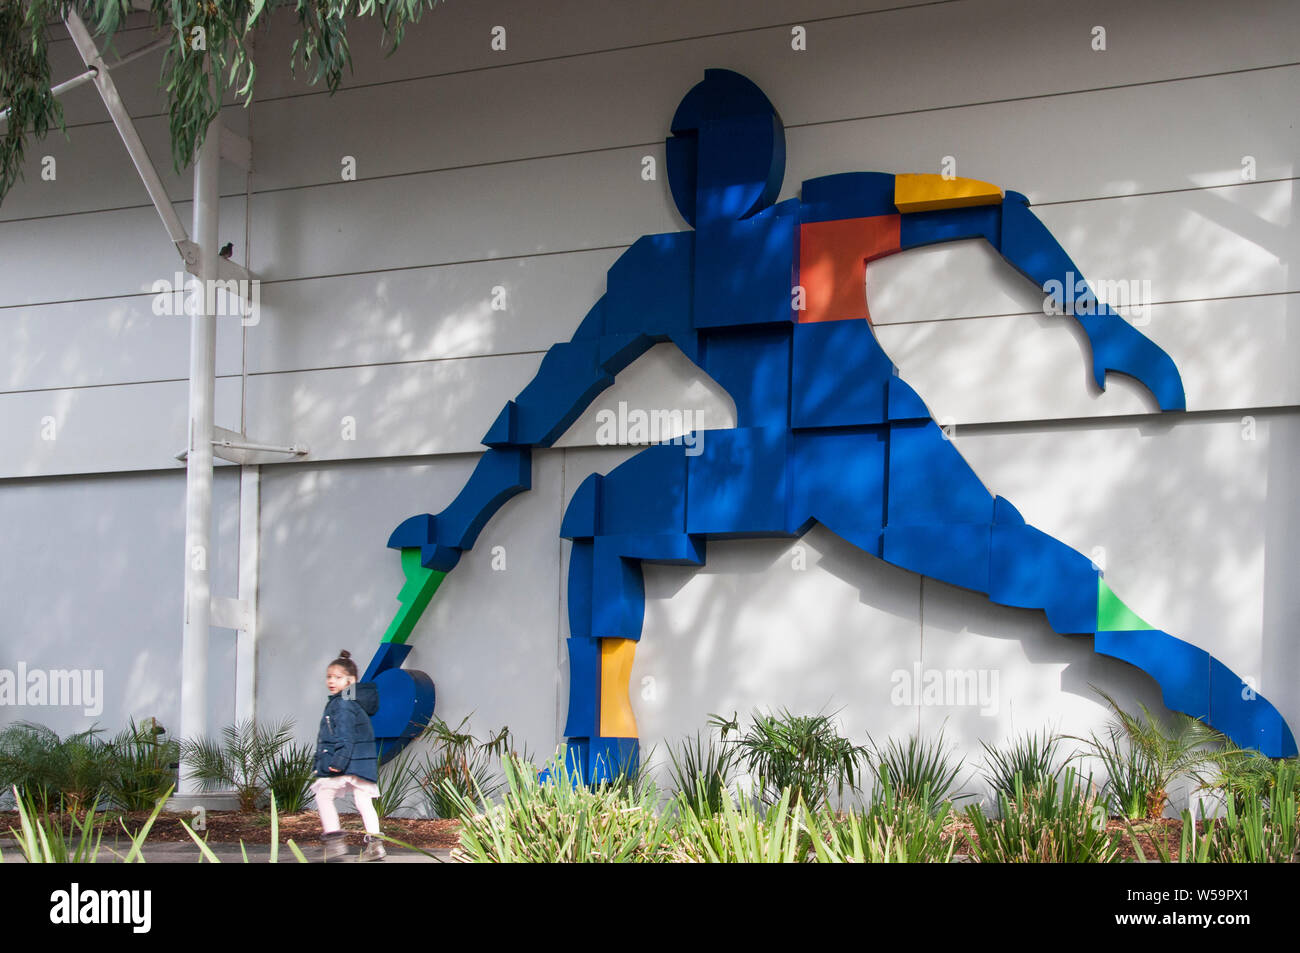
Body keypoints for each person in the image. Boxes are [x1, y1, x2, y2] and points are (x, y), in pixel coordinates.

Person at [311, 649, 385, 862]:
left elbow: (345, 735)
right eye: (329, 676)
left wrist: (339, 761)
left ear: (350, 681)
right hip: (362, 762)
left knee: (323, 795)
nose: (331, 681)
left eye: (338, 677)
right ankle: (376, 846)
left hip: (348, 762)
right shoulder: (351, 702)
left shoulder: (342, 704)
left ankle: (334, 843)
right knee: (363, 800)